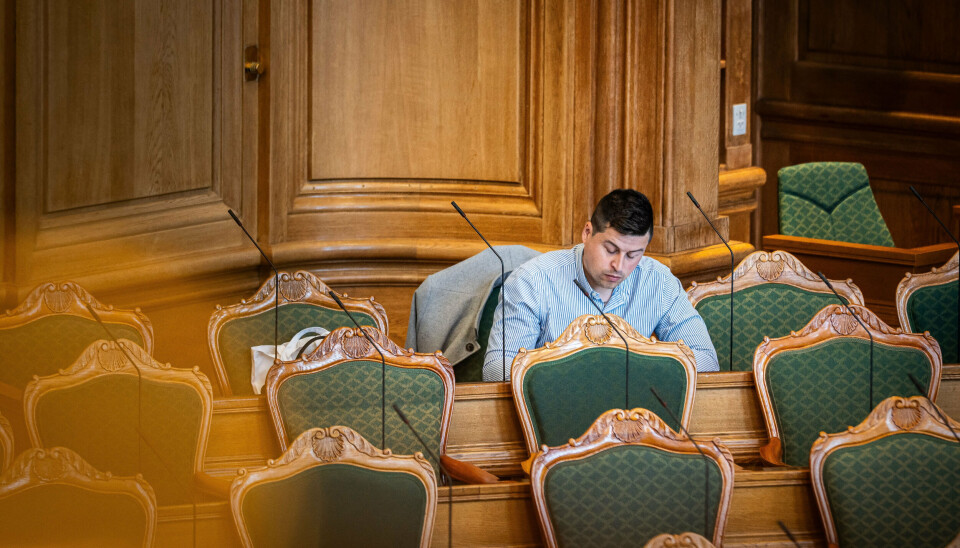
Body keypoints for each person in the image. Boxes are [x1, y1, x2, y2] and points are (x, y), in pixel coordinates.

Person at [483, 189, 719, 381]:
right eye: (611, 250)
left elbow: (707, 362)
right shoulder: (532, 281)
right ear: (587, 232)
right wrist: (581, 371)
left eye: (633, 255)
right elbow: (496, 370)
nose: (619, 265)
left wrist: (638, 364)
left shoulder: (658, 281)